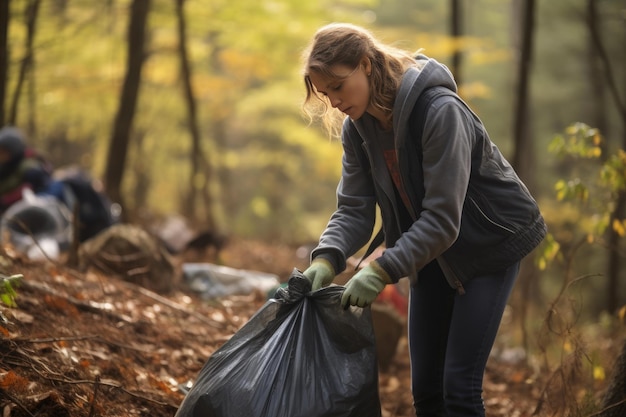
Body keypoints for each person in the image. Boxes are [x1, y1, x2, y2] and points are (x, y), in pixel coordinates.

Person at [300, 23, 547, 417]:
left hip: (489, 246)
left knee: (459, 388)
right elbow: (354, 208)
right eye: (324, 92)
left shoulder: (439, 111)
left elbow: (443, 218)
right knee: (426, 392)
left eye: (337, 87)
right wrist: (325, 258)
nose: (333, 101)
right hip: (430, 251)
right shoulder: (357, 129)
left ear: (365, 65)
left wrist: (382, 270)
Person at [0, 126, 55, 214]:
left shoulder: (30, 169)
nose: (1, 156)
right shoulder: (5, 168)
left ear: (13, 151)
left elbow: (30, 192)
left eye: (3, 152)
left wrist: (5, 201)